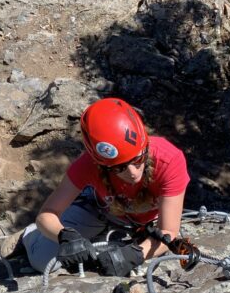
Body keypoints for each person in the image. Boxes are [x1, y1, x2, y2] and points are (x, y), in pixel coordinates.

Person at [17, 97, 190, 277]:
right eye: (119, 167)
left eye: (138, 160)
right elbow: (47, 214)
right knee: (42, 260)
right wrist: (64, 236)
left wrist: (135, 254)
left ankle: (99, 238)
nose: (132, 172)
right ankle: (29, 236)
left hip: (143, 223)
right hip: (100, 209)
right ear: (102, 164)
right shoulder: (88, 165)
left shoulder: (169, 160)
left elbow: (168, 231)